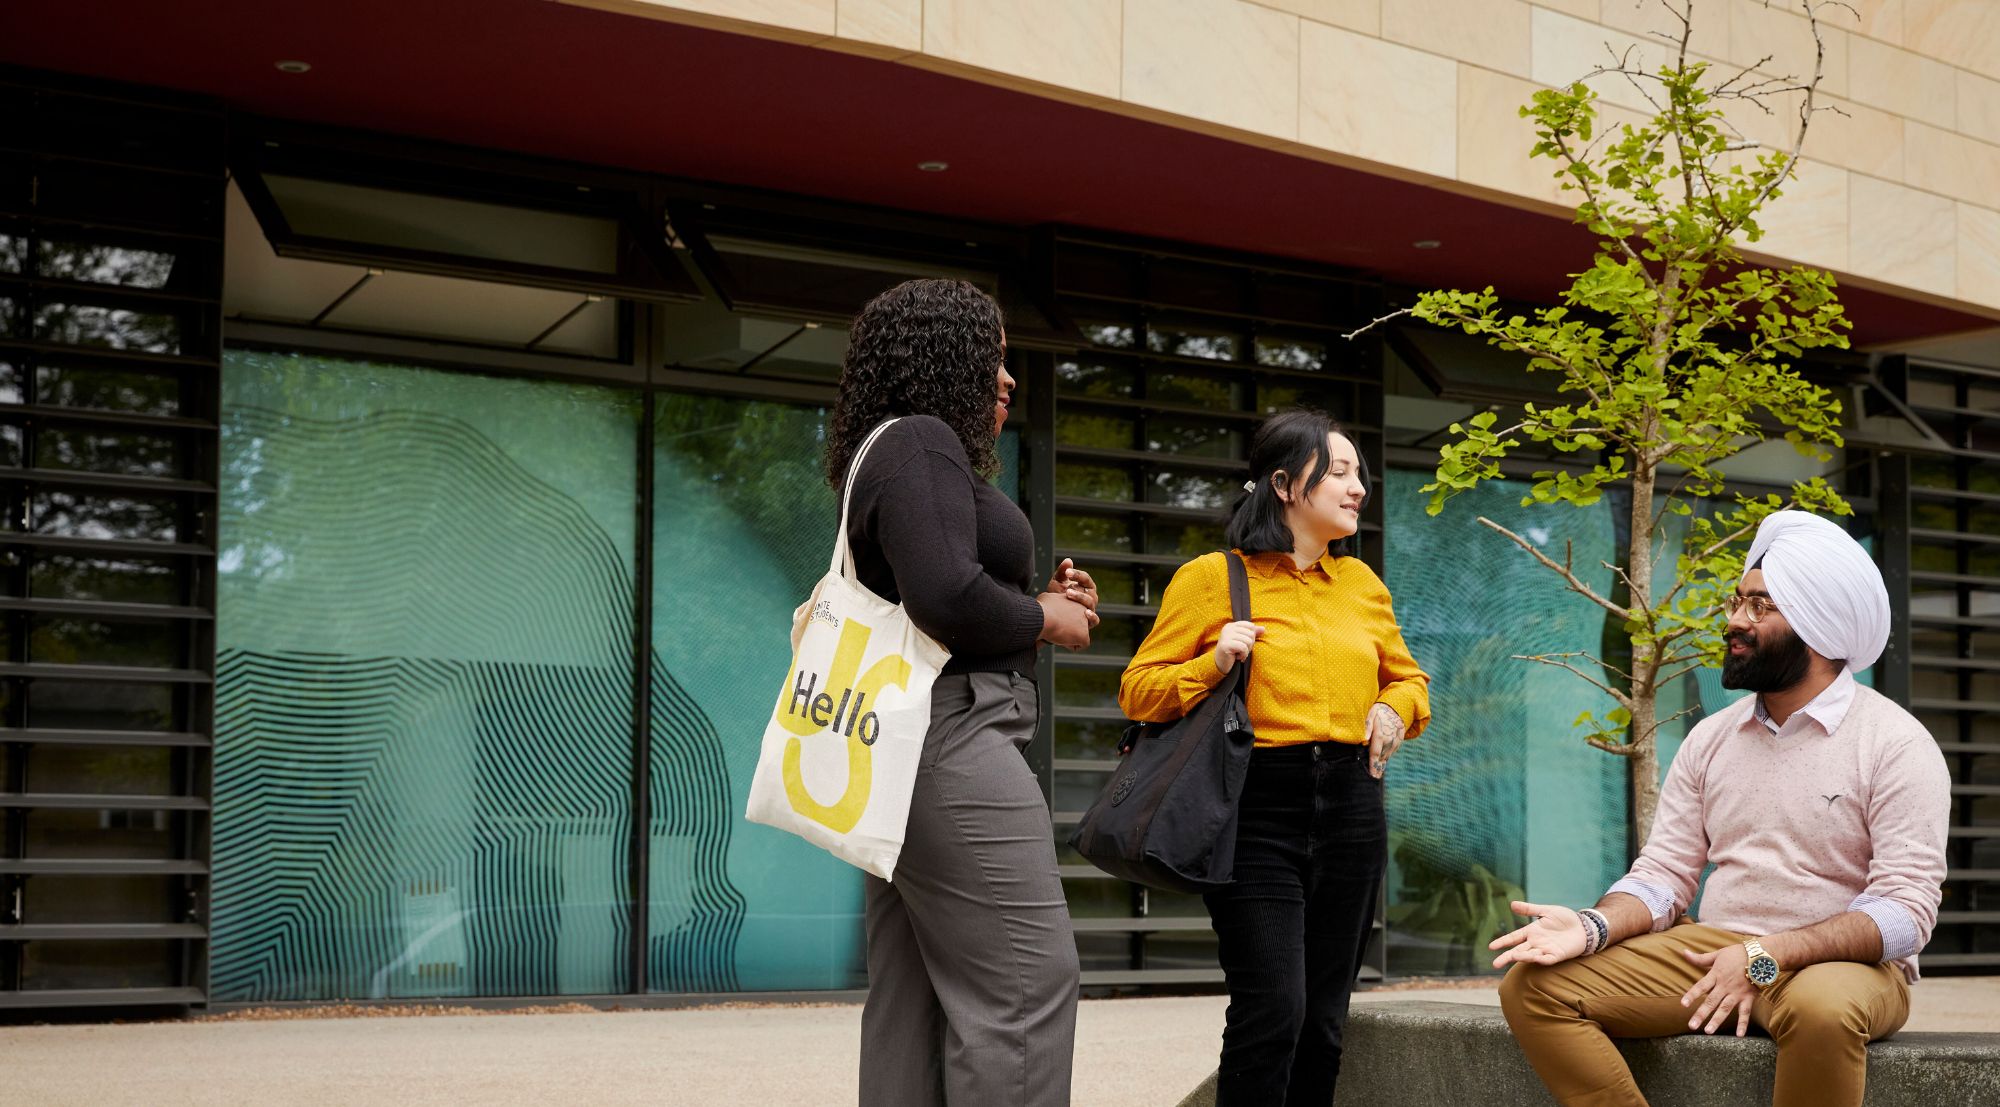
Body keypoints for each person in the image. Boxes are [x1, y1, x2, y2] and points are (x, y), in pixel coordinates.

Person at [1491, 510, 1951, 1107]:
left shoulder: (1895, 743)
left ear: (1818, 625)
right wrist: (1592, 926)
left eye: (1760, 607)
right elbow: (1663, 876)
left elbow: (1904, 914)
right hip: (1714, 953)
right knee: (1535, 986)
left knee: (1823, 1010)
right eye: (1738, 602)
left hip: (1842, 968)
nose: (1734, 620)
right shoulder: (1711, 738)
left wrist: (1762, 957)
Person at [830, 278, 1097, 1107]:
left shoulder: (894, 448)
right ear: (946, 358)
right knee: (1026, 987)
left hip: (906, 744)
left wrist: (1040, 605)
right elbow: (944, 595)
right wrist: (1048, 620)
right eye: (996, 359)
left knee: (914, 1004)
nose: (1009, 380)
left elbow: (951, 587)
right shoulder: (920, 441)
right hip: (949, 740)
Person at [1117, 409, 1431, 1106]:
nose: (1358, 488)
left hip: (1353, 804)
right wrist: (1213, 659)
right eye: (1341, 472)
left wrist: (1392, 708)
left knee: (1323, 1020)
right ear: (1287, 484)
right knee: (1272, 1011)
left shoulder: (1363, 587)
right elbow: (1138, 690)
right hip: (1256, 807)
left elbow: (1409, 679)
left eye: (1360, 475)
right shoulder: (1213, 577)